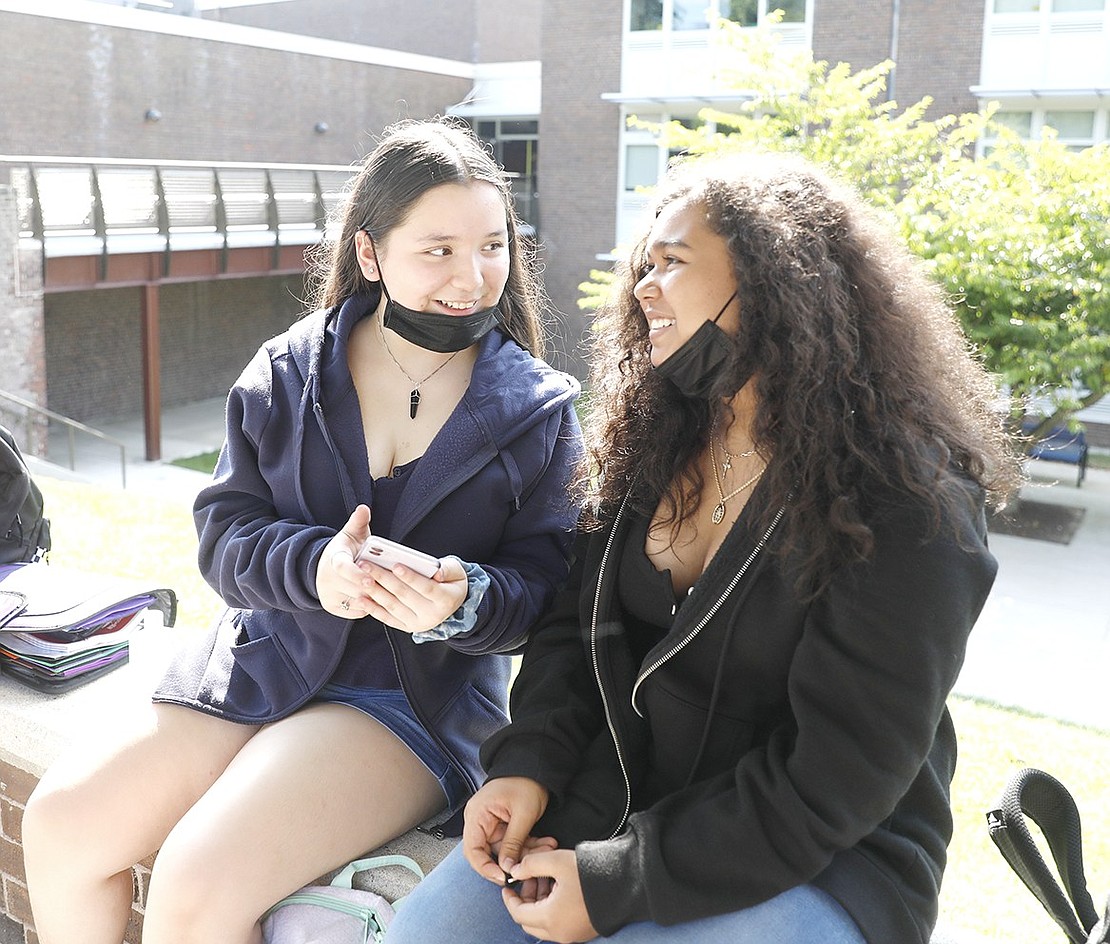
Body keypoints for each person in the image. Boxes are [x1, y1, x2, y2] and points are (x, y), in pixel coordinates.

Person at [384, 152, 1024, 944]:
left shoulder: (907, 500)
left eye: (672, 263)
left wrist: (622, 882)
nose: (642, 287)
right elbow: (570, 636)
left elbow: (836, 781)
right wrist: (529, 766)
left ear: (774, 280)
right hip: (613, 805)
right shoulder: (653, 438)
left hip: (821, 857)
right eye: (644, 265)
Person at [22, 118, 583, 944]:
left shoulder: (538, 412)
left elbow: (550, 589)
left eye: (493, 246)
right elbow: (225, 534)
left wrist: (462, 603)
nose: (473, 277)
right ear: (370, 254)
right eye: (438, 251)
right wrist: (314, 569)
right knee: (61, 823)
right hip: (259, 663)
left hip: (406, 700)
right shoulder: (288, 370)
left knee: (196, 881)